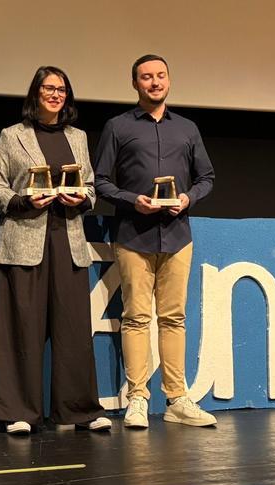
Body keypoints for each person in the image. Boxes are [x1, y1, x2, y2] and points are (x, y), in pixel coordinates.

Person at [0, 66, 111, 434]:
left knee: (73, 330)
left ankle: (79, 411)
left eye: (61, 89)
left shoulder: (78, 137)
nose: (56, 95)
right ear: (36, 94)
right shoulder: (12, 136)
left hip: (68, 240)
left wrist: (82, 199)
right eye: (49, 89)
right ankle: (19, 412)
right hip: (25, 239)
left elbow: (90, 187)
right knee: (21, 329)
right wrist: (23, 201)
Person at [93, 54, 216, 428]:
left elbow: (206, 178)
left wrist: (187, 199)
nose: (155, 82)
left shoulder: (187, 129)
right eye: (146, 77)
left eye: (161, 75)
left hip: (177, 236)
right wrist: (134, 201)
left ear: (169, 80)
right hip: (134, 235)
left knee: (174, 318)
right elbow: (101, 181)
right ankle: (137, 399)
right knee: (136, 318)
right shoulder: (118, 127)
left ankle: (177, 399)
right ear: (135, 84)